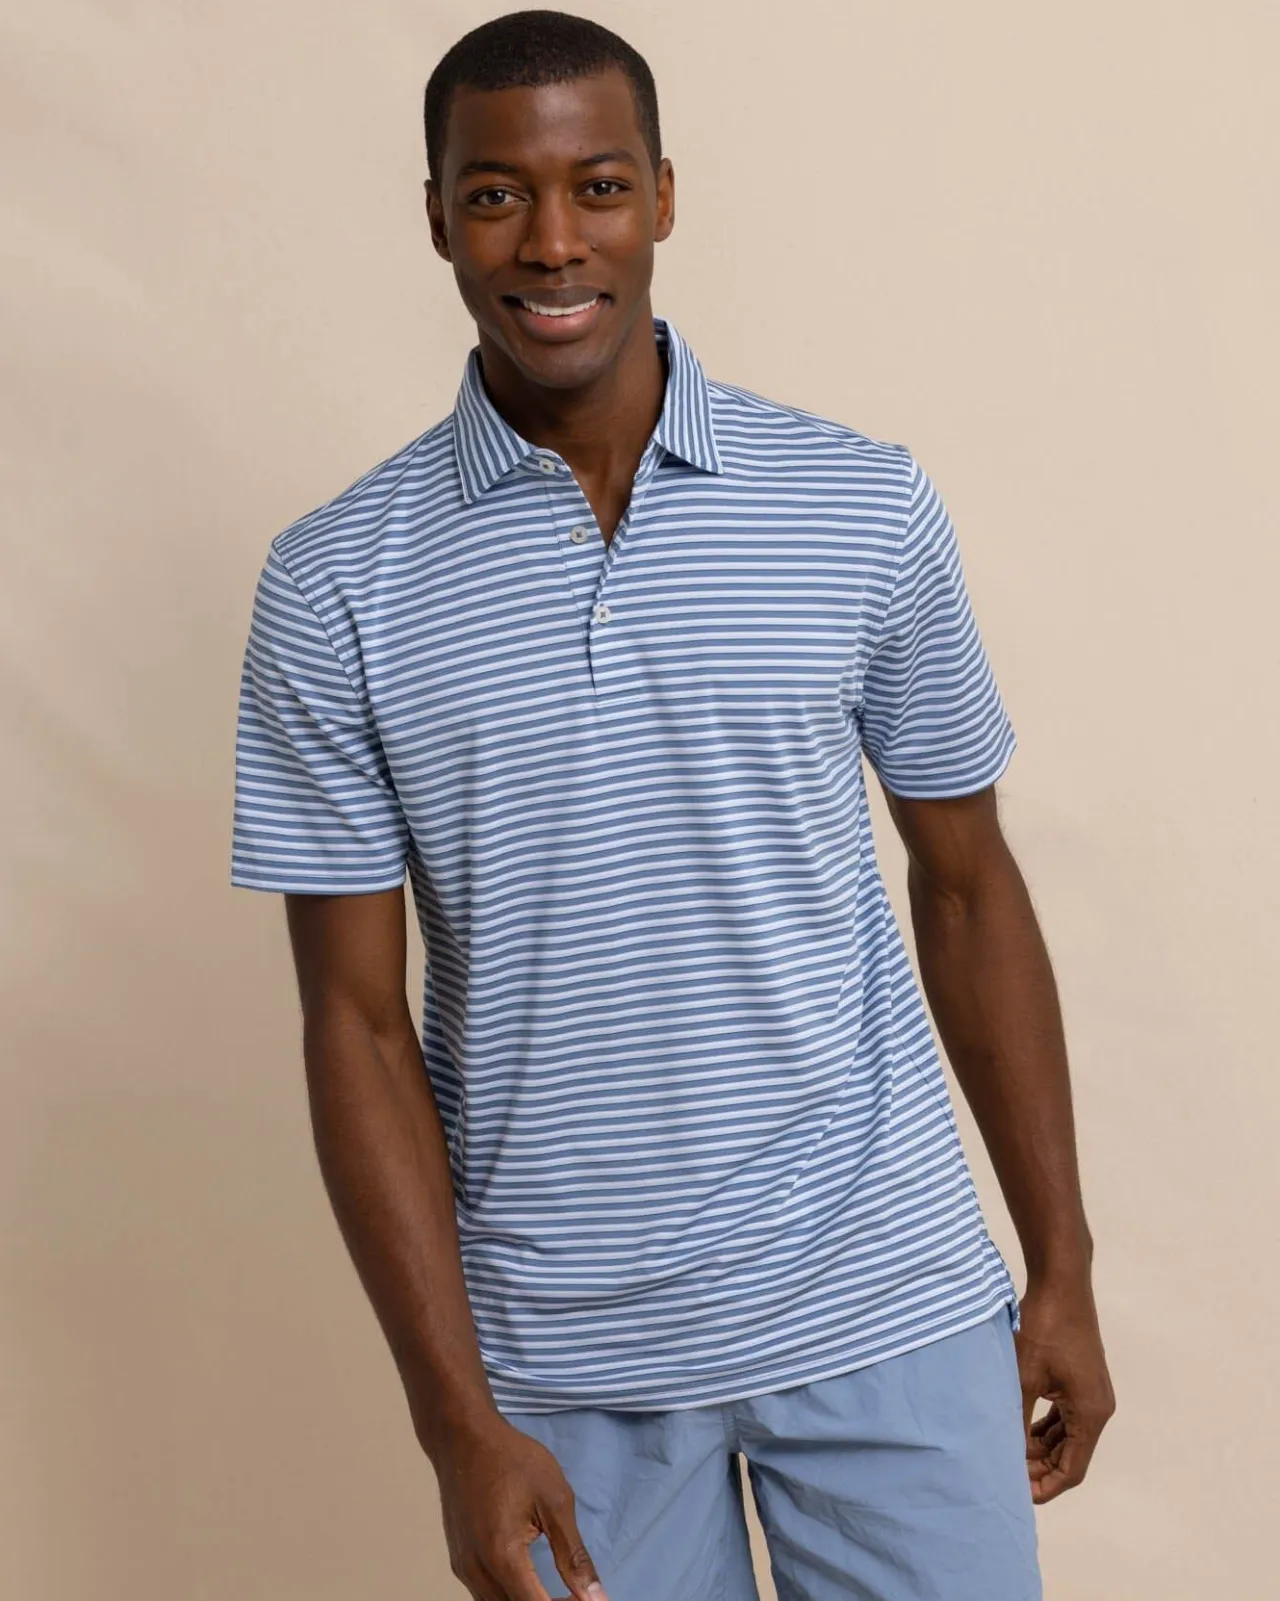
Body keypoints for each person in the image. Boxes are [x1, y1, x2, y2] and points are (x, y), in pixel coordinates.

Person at [230, 10, 1115, 1599]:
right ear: (434, 217)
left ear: (665, 197)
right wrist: (455, 1422)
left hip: (889, 1300)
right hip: (562, 1366)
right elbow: (354, 1026)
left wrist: (1063, 1264)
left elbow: (968, 886)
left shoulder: (856, 504)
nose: (552, 241)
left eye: (600, 186)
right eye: (495, 195)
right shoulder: (338, 582)